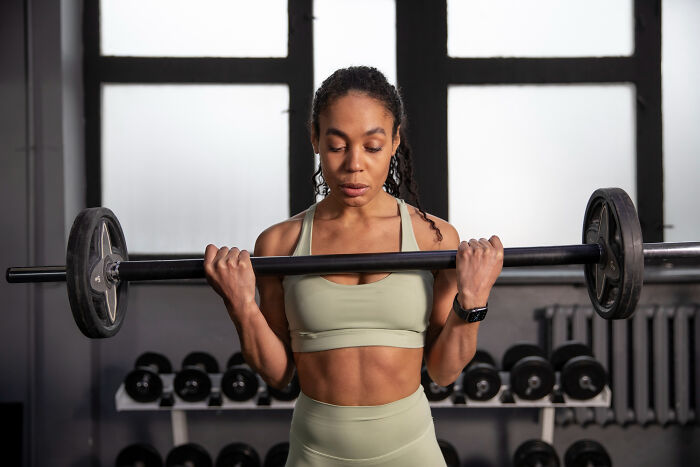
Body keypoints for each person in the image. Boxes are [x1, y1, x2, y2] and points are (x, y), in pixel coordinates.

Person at [204, 66, 503, 466]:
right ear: (314, 138)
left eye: (373, 146)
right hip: (316, 453)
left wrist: (474, 298)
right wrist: (240, 304)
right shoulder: (279, 244)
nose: (354, 164)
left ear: (395, 141)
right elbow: (279, 375)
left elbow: (444, 372)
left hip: (410, 451)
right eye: (337, 145)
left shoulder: (435, 240)